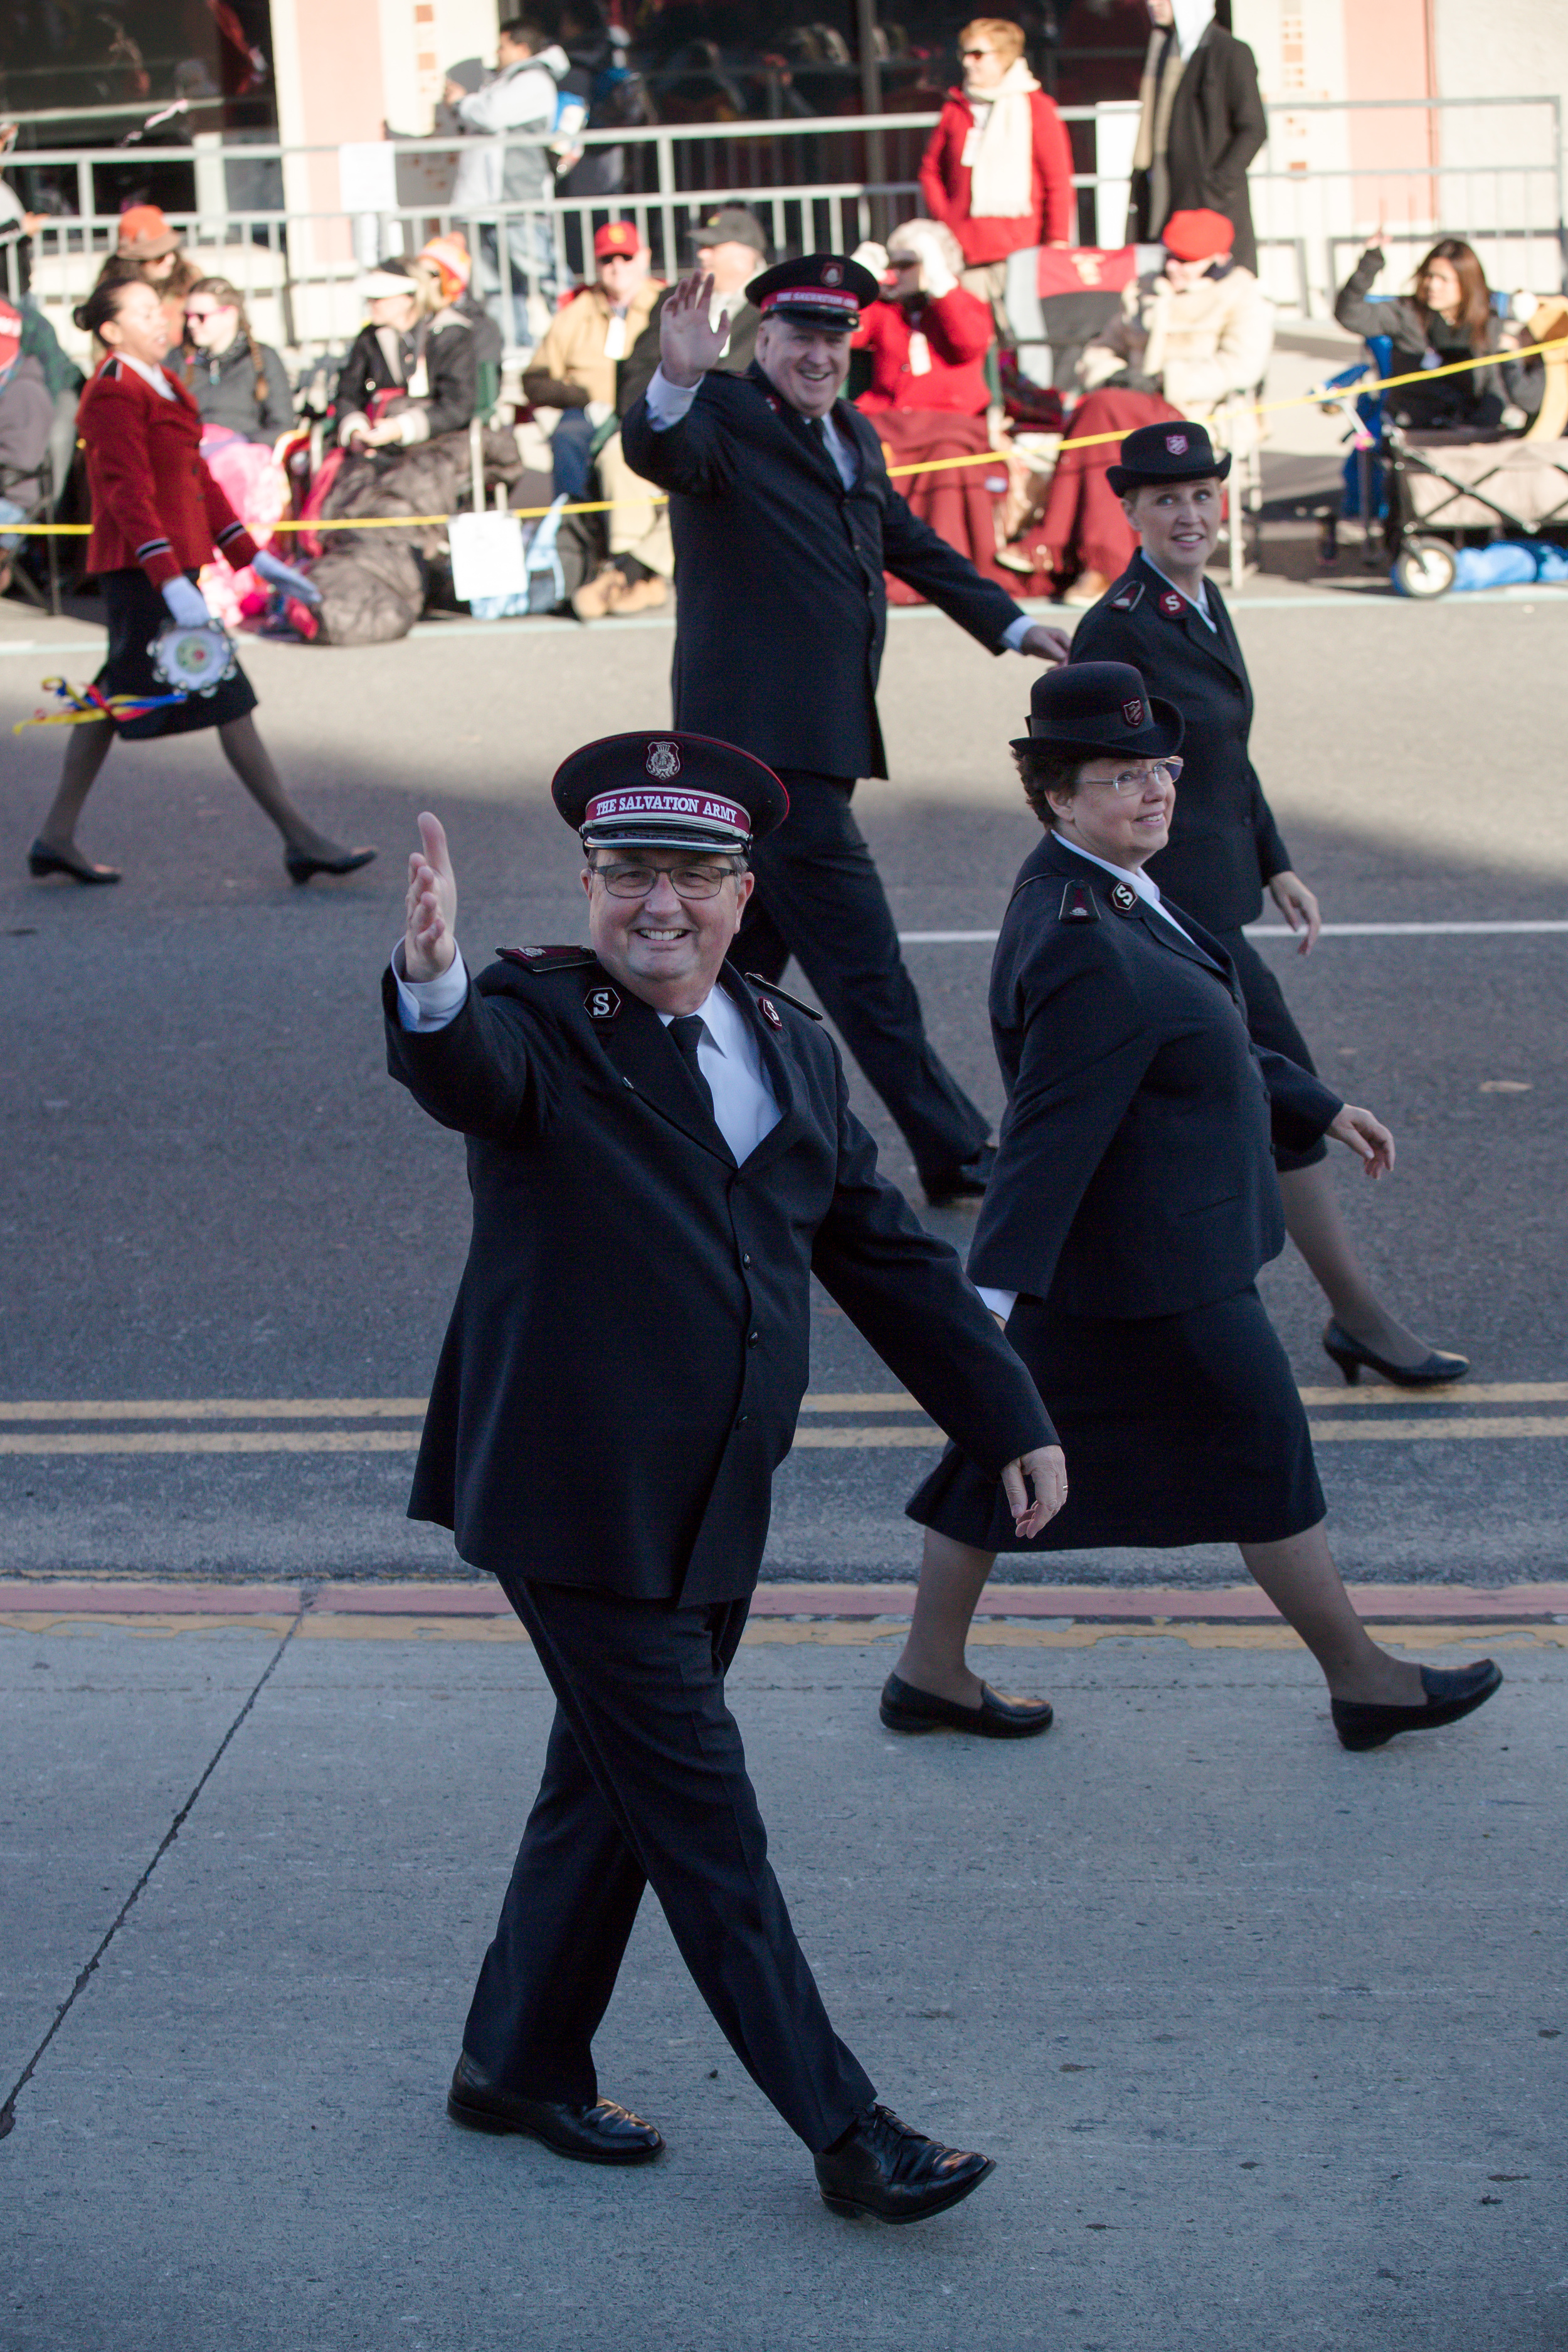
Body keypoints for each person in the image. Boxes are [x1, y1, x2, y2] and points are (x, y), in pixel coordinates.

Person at [385, 728, 1064, 2220]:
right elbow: (465, 1071)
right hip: (573, 1498)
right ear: (588, 882)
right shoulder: (535, 1015)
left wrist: (1004, 1409)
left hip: (713, 1502)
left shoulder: (790, 1040)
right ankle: (846, 2127)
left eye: (693, 876)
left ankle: (515, 2059)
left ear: (744, 891)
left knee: (609, 1790)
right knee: (703, 1817)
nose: (659, 907)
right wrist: (429, 981)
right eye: (629, 875)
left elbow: (880, 1249)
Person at [884, 661, 1502, 1756]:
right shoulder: (1080, 937)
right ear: (1057, 794)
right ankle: (1363, 1681)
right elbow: (1045, 1137)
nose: (1156, 792)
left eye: (1161, 768)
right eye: (1122, 776)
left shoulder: (1115, 887)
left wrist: (1317, 1099)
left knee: (1002, 1451)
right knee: (1265, 1447)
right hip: (1149, 1268)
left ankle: (929, 1673)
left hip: (1128, 1259)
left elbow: (1202, 1017)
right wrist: (981, 1298)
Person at [621, 256, 1069, 1207]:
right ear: (766, 341)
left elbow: (904, 543)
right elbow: (660, 450)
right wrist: (677, 377)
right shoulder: (728, 416)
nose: (820, 356)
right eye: (802, 338)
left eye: (836, 340)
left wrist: (1016, 624)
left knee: (737, 965)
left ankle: (632, 1108)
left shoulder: (847, 431)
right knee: (866, 964)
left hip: (818, 737)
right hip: (762, 748)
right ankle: (952, 1145)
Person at [1069, 421, 1466, 1385]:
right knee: (1284, 1095)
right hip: (1171, 909)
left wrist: (1274, 860)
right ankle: (1354, 1317)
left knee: (1165, 1111)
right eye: (1166, 500)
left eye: (1203, 495)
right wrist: (1136, 894)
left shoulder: (1200, 603)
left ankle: (1109, 1322)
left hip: (1216, 892)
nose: (1189, 514)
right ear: (1129, 509)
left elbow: (1225, 755)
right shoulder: (1119, 626)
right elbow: (1083, 778)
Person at [26, 277, 371, 889]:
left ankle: (55, 837)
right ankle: (301, 839)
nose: (163, 321)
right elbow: (127, 494)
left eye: (162, 310)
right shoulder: (112, 390)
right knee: (224, 693)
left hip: (168, 566)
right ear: (110, 330)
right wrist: (170, 580)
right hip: (142, 568)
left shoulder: (162, 381)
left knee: (116, 696)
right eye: (144, 313)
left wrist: (251, 556)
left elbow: (196, 481)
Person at [1037, 206, 1272, 604]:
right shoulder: (1144, 287)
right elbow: (1100, 347)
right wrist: (1111, 372)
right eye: (1170, 256)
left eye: (1187, 260)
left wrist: (1165, 380)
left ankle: (1075, 552)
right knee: (1100, 410)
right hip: (1128, 402)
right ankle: (1095, 555)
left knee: (1100, 411)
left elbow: (1241, 366)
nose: (1175, 267)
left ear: (1217, 259)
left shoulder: (1243, 296)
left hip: (1196, 414)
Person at [519, 219, 669, 617]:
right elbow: (534, 379)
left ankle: (633, 567)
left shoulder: (663, 303)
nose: (617, 267)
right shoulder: (578, 311)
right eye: (607, 260)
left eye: (626, 257)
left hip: (648, 408)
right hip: (589, 413)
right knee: (569, 440)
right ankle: (579, 554)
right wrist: (581, 397)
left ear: (644, 259)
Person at [850, 218, 1000, 585]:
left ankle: (943, 571)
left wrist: (939, 282)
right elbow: (846, 334)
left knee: (949, 456)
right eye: (894, 265)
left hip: (949, 425)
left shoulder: (964, 303)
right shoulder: (884, 311)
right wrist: (856, 283)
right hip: (891, 422)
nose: (897, 274)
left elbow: (967, 342)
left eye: (908, 264)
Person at [917, 18, 1075, 337]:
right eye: (964, 53)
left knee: (1021, 345)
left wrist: (1056, 241)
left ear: (1004, 57)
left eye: (977, 54)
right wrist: (947, 217)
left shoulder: (1037, 108)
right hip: (966, 250)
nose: (967, 62)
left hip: (1020, 251)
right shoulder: (956, 108)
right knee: (972, 340)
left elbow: (1057, 181)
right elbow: (930, 170)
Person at [446, 17, 577, 351]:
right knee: (499, 287)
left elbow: (490, 114)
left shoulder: (533, 80)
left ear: (521, 47)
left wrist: (462, 102)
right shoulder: (507, 80)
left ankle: (577, 337)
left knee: (545, 276)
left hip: (518, 200)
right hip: (490, 204)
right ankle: (515, 350)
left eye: (502, 46)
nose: (497, 53)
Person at [1334, 237, 1543, 433]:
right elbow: (1350, 315)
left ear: (1466, 282)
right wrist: (1370, 263)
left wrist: (1482, 426)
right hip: (1417, 429)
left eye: (1444, 279)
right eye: (1429, 276)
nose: (1432, 285)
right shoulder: (1406, 313)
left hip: (1474, 427)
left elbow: (1495, 383)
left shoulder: (1488, 321)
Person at [1126, 0, 1266, 274]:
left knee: (1214, 287)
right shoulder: (1165, 50)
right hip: (1169, 194)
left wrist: (1216, 183)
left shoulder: (1230, 53)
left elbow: (1253, 128)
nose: (1153, 4)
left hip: (1211, 205)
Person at [617, 204, 768, 418]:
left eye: (712, 247)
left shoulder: (773, 309)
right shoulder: (677, 299)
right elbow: (640, 368)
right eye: (702, 246)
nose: (701, 254)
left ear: (744, 259)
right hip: (666, 426)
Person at [333, 261, 477, 452]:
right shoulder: (369, 338)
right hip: (377, 441)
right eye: (369, 298)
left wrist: (401, 428)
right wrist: (356, 429)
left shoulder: (450, 335)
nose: (371, 304)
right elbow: (349, 393)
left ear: (408, 299)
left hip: (439, 441)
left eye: (379, 298)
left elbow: (457, 405)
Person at [177, 277, 294, 443]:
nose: (191, 323)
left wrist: (236, 443)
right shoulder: (179, 360)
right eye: (187, 316)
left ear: (230, 315)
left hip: (245, 455)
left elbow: (283, 426)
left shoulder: (261, 359)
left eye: (201, 316)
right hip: (192, 455)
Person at [99, 203, 201, 337]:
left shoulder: (189, 277)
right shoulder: (113, 293)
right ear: (135, 263)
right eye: (160, 257)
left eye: (172, 252)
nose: (170, 260)